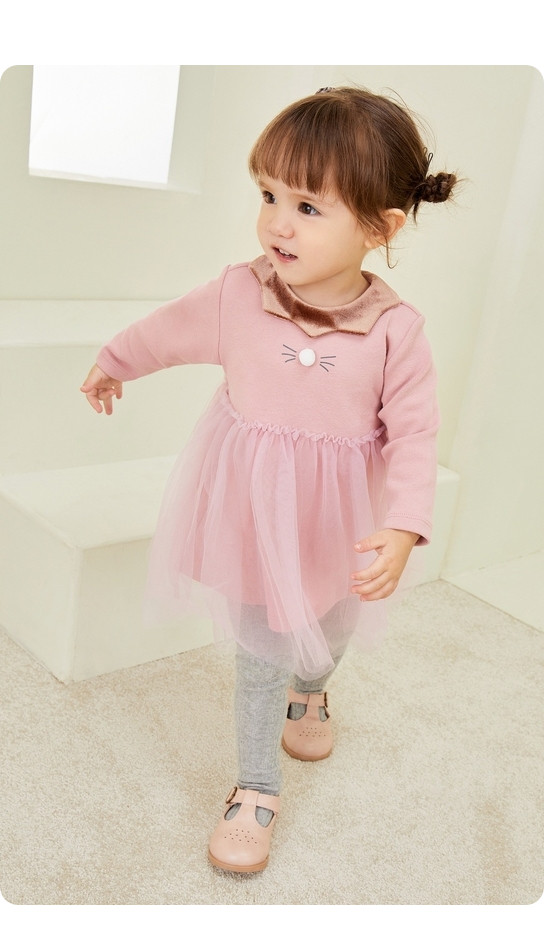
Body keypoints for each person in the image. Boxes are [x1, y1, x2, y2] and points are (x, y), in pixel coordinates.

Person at [80, 86, 458, 874]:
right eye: (269, 196)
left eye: (308, 207)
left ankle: (311, 688)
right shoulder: (238, 294)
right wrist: (116, 360)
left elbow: (416, 434)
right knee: (260, 650)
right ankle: (256, 785)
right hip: (255, 511)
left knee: (331, 632)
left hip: (342, 522)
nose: (278, 223)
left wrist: (404, 523)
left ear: (381, 228)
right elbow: (167, 330)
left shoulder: (396, 333)